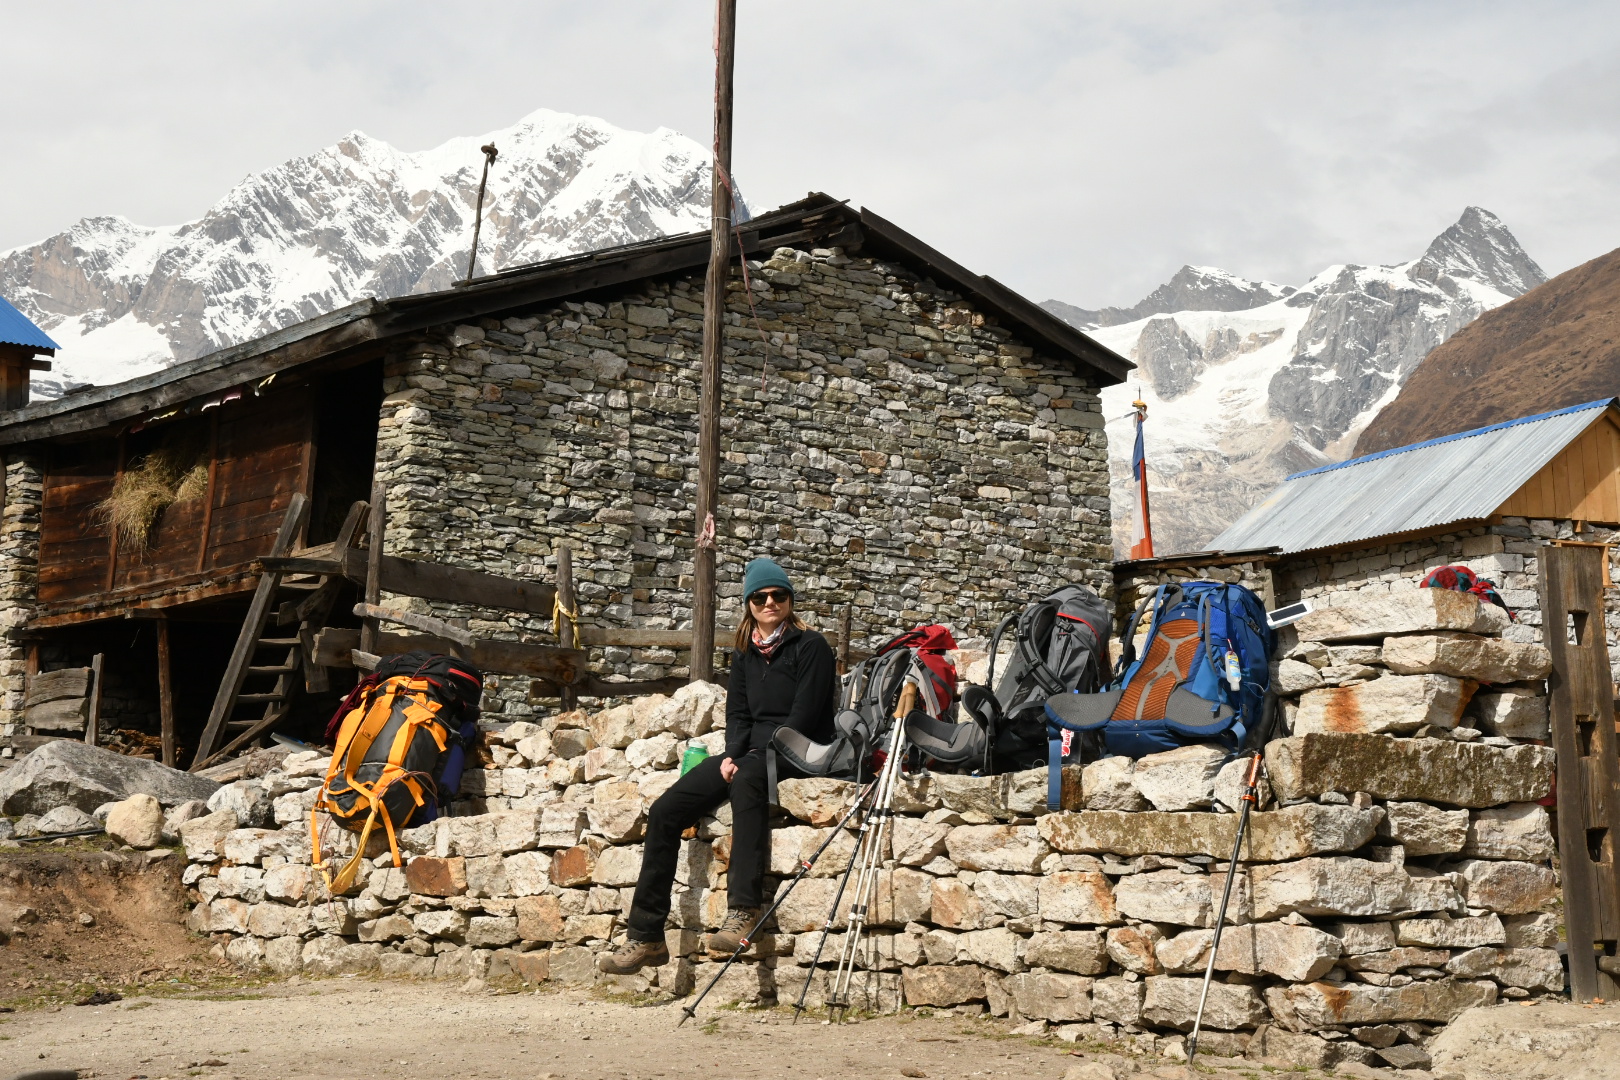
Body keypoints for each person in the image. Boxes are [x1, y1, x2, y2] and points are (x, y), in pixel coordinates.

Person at [598, 557, 837, 974]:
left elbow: (805, 714)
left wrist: (753, 759)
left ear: (789, 600)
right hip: (751, 752)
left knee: (747, 780)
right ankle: (646, 936)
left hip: (799, 749)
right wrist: (731, 753)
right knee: (665, 811)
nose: (769, 603)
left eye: (778, 596)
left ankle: (743, 911)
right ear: (748, 603)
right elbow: (739, 714)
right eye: (760, 597)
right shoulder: (744, 652)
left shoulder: (811, 646)